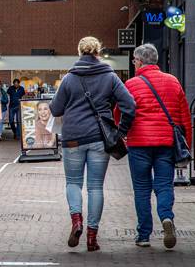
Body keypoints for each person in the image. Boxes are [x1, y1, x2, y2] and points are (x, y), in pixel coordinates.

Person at [49, 36, 135, 252]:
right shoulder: (110, 76)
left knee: (73, 182)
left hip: (73, 137)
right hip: (100, 137)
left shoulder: (69, 78)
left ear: (80, 52)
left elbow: (56, 109)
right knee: (95, 186)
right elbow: (129, 105)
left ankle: (76, 220)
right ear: (99, 52)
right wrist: (121, 132)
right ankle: (91, 237)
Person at [117, 44, 192, 249]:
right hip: (166, 143)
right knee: (164, 185)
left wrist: (121, 133)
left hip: (139, 143)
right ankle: (167, 219)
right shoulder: (173, 82)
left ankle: (143, 235)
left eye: (134, 60)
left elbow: (119, 111)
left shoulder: (131, 84)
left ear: (140, 61)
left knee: (141, 189)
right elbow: (185, 116)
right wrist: (187, 145)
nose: (134, 63)